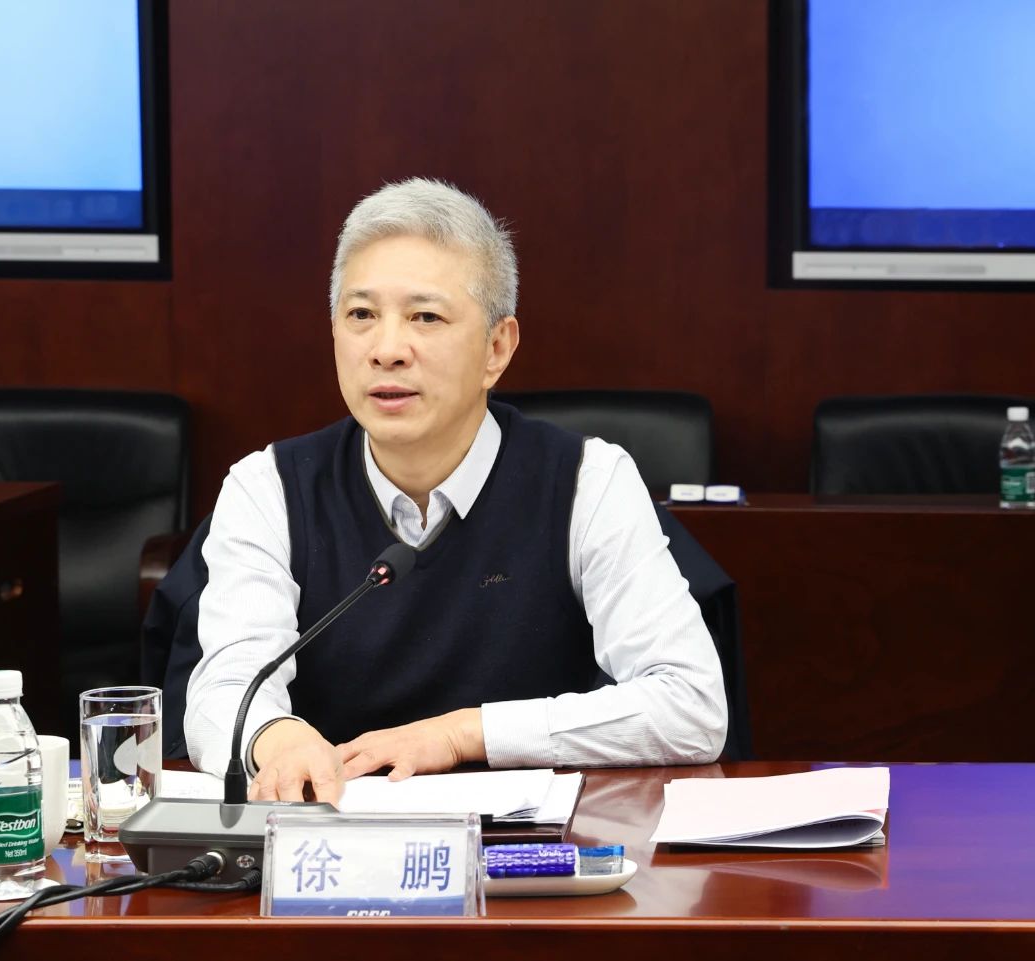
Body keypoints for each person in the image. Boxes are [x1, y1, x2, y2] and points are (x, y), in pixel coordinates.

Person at [184, 178, 727, 803]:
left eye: (426, 316)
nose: (387, 350)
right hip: (328, 835)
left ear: (497, 348)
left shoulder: (588, 481)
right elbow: (224, 690)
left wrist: (461, 735)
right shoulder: (268, 487)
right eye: (361, 315)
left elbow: (691, 707)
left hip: (531, 850)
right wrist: (278, 741)